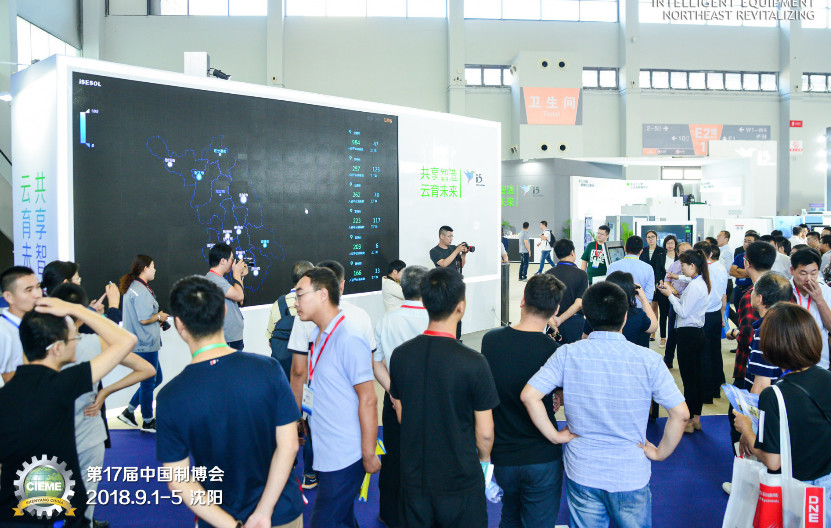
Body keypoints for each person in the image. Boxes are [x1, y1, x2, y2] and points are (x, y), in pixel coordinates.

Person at [522, 281, 688, 528]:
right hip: (630, 473)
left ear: (587, 317)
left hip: (583, 470)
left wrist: (555, 436)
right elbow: (681, 414)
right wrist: (660, 453)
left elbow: (529, 396)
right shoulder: (649, 360)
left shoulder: (568, 353)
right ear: (624, 316)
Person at [157, 276, 304, 528]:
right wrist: (263, 512)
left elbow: (178, 479)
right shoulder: (269, 369)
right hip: (281, 513)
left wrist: (231, 525)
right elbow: (289, 445)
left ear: (179, 324)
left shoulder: (170, 396)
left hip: (217, 518)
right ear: (224, 311)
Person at [0, 296, 137, 527]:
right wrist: (76, 309)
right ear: (57, 348)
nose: (77, 342)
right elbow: (126, 340)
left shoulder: (6, 394)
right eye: (74, 337)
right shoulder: (62, 385)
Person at [389, 267, 500, 528]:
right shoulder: (474, 362)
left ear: (425, 303)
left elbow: (402, 412)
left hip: (414, 478)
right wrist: (484, 462)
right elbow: (485, 432)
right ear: (460, 307)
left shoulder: (401, 355)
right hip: (460, 479)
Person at [52, 282, 155, 528]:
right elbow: (146, 368)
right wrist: (106, 391)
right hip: (87, 432)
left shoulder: (35, 346)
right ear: (80, 313)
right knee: (85, 500)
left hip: (50, 434)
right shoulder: (93, 343)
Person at [294, 267, 379, 528]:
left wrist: (368, 452)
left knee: (325, 522)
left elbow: (369, 398)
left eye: (300, 294)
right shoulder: (317, 335)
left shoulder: (348, 338)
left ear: (322, 294)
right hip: (326, 449)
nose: (295, 303)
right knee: (342, 519)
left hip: (345, 455)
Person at [481, 274, 569, 528]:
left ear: (522, 301)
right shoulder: (555, 351)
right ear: (555, 310)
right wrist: (557, 396)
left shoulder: (491, 341)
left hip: (503, 454)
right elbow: (564, 396)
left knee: (510, 516)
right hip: (542, 455)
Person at [733, 303, 831, 524]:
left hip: (798, 491)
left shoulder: (774, 395)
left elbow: (773, 460)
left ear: (772, 346)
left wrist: (747, 429)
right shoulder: (827, 378)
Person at [372, 265, 429, 528]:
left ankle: (390, 513)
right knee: (428, 456)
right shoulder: (436, 318)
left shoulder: (387, 319)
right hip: (429, 399)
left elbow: (376, 364)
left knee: (393, 455)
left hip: (394, 397)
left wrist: (394, 394)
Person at [657, 249, 710, 433]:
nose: (682, 269)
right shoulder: (700, 282)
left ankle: (689, 422)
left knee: (689, 380)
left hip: (688, 334)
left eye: (683, 265)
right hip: (695, 333)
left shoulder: (696, 286)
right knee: (695, 378)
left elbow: (683, 312)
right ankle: (696, 419)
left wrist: (670, 296)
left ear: (692, 266)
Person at [117, 254, 168, 433]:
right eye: (153, 266)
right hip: (145, 344)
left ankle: (129, 411)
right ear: (145, 268)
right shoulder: (139, 290)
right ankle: (147, 421)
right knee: (148, 383)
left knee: (156, 378)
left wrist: (157, 319)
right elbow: (144, 319)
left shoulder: (136, 287)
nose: (155, 270)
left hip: (143, 342)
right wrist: (159, 316)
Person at [745, 272, 794, 395]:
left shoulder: (765, 332)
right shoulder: (790, 326)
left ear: (759, 298)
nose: (751, 293)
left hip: (769, 402)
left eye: (753, 290)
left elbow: (761, 386)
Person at [266, 260, 314, 381]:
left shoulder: (278, 304)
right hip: (310, 374)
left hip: (284, 375)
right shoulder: (315, 303)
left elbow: (271, 341)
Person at [583, 271, 657, 348]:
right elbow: (653, 327)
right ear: (630, 291)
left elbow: (585, 338)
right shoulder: (638, 315)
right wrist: (643, 299)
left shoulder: (596, 312)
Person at [789, 248, 831, 369]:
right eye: (803, 273)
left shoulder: (826, 291)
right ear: (792, 270)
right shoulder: (784, 290)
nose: (808, 278)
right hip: (789, 362)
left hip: (819, 363)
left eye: (813, 273)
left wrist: (819, 299)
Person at [696, 242, 728, 402]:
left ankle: (707, 394)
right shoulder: (721, 267)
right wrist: (722, 316)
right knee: (715, 351)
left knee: (705, 355)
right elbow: (723, 295)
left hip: (704, 315)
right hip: (716, 313)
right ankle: (716, 387)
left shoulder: (704, 270)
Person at [0, 266, 43, 384]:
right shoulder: (2, 332)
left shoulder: (40, 325)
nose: (37, 294)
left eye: (38, 287)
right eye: (29, 290)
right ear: (9, 297)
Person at [205, 242, 249, 351]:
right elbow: (239, 296)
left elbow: (240, 299)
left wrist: (240, 277)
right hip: (227, 338)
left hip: (232, 337)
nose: (233, 263)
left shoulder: (218, 279)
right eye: (231, 259)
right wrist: (236, 274)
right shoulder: (214, 280)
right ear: (223, 261)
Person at [546, 239, 589, 345]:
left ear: (557, 255)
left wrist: (554, 322)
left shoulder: (548, 274)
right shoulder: (581, 274)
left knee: (553, 350)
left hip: (551, 323)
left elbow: (544, 303)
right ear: (572, 252)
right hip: (574, 324)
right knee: (573, 352)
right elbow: (579, 304)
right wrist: (560, 319)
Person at [663, 241, 692, 368]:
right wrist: (674, 292)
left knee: (687, 333)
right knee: (672, 332)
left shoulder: (696, 266)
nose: (687, 254)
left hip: (690, 303)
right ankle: (668, 359)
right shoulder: (674, 265)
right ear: (678, 253)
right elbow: (666, 282)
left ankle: (686, 362)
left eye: (689, 251)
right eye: (684, 252)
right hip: (675, 301)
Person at [608, 235, 655, 310]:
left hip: (617, 310)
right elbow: (649, 297)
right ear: (641, 251)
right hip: (639, 310)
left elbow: (608, 290)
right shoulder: (648, 268)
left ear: (625, 248)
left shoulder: (612, 266)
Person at [639, 230, 667, 342]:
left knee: (656, 306)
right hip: (645, 281)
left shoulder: (661, 251)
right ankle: (650, 330)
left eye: (653, 237)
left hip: (658, 281)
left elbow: (662, 267)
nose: (651, 239)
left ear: (656, 238)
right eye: (649, 237)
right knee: (649, 306)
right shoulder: (643, 250)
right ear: (646, 239)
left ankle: (654, 331)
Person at [654, 235, 679, 348]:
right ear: (665, 244)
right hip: (663, 288)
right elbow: (657, 271)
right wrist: (660, 281)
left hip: (676, 289)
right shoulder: (660, 256)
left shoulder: (679, 257)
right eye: (668, 243)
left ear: (675, 244)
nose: (670, 245)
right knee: (663, 313)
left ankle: (673, 337)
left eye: (672, 243)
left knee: (674, 313)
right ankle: (663, 338)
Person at [730, 232, 759, 310]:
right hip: (738, 289)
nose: (746, 244)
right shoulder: (739, 256)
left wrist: (738, 270)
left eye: (749, 242)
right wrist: (747, 273)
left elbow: (755, 273)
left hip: (751, 289)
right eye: (745, 241)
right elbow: (732, 271)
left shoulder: (758, 257)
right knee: (738, 311)